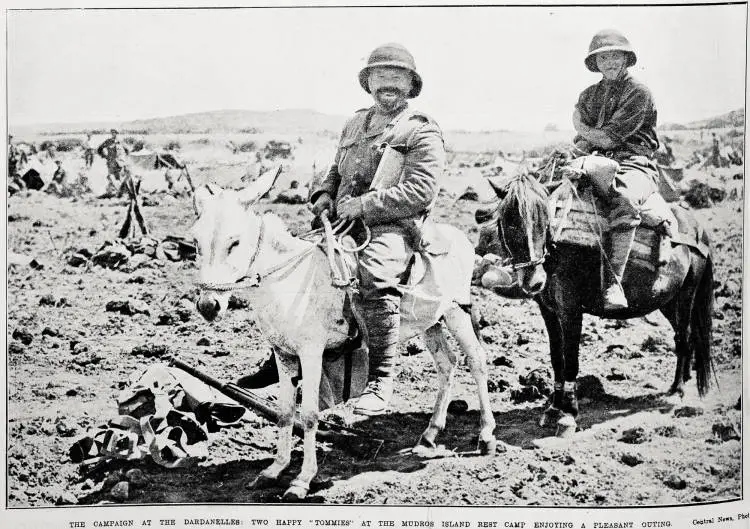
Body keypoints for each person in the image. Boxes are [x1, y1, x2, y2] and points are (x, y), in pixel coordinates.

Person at [307, 43, 445, 416]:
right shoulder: (355, 123)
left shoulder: (421, 131)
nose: (388, 83)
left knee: (376, 274)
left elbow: (420, 191)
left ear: (410, 85)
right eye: (380, 76)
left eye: (397, 77)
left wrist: (364, 206)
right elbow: (336, 169)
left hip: (392, 227)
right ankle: (289, 354)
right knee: (301, 268)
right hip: (342, 222)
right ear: (368, 82)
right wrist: (323, 192)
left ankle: (380, 382)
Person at [572, 29, 660, 311]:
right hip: (595, 159)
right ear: (595, 64)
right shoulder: (588, 95)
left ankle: (613, 283)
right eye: (603, 57)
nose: (609, 62)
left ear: (626, 59)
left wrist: (582, 128)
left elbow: (610, 138)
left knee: (624, 199)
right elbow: (583, 141)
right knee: (546, 190)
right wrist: (581, 139)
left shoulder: (639, 93)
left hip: (634, 163)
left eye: (615, 56)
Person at [97, 129, 131, 198]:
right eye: (112, 133)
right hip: (111, 162)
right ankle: (112, 192)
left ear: (116, 134)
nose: (113, 134)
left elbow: (127, 150)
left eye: (114, 133)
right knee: (111, 177)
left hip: (119, 163)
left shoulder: (120, 142)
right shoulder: (108, 141)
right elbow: (99, 149)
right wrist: (104, 156)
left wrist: (124, 159)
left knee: (119, 178)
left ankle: (120, 192)